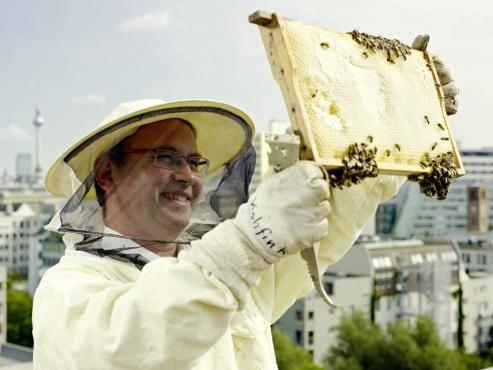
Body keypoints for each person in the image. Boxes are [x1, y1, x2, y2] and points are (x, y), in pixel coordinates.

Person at [32, 39, 458, 369]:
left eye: (195, 162)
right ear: (107, 174)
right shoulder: (69, 286)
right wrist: (251, 237)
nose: (187, 175)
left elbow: (331, 217)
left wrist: (396, 118)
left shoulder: (235, 275)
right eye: (165, 157)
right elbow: (135, 343)